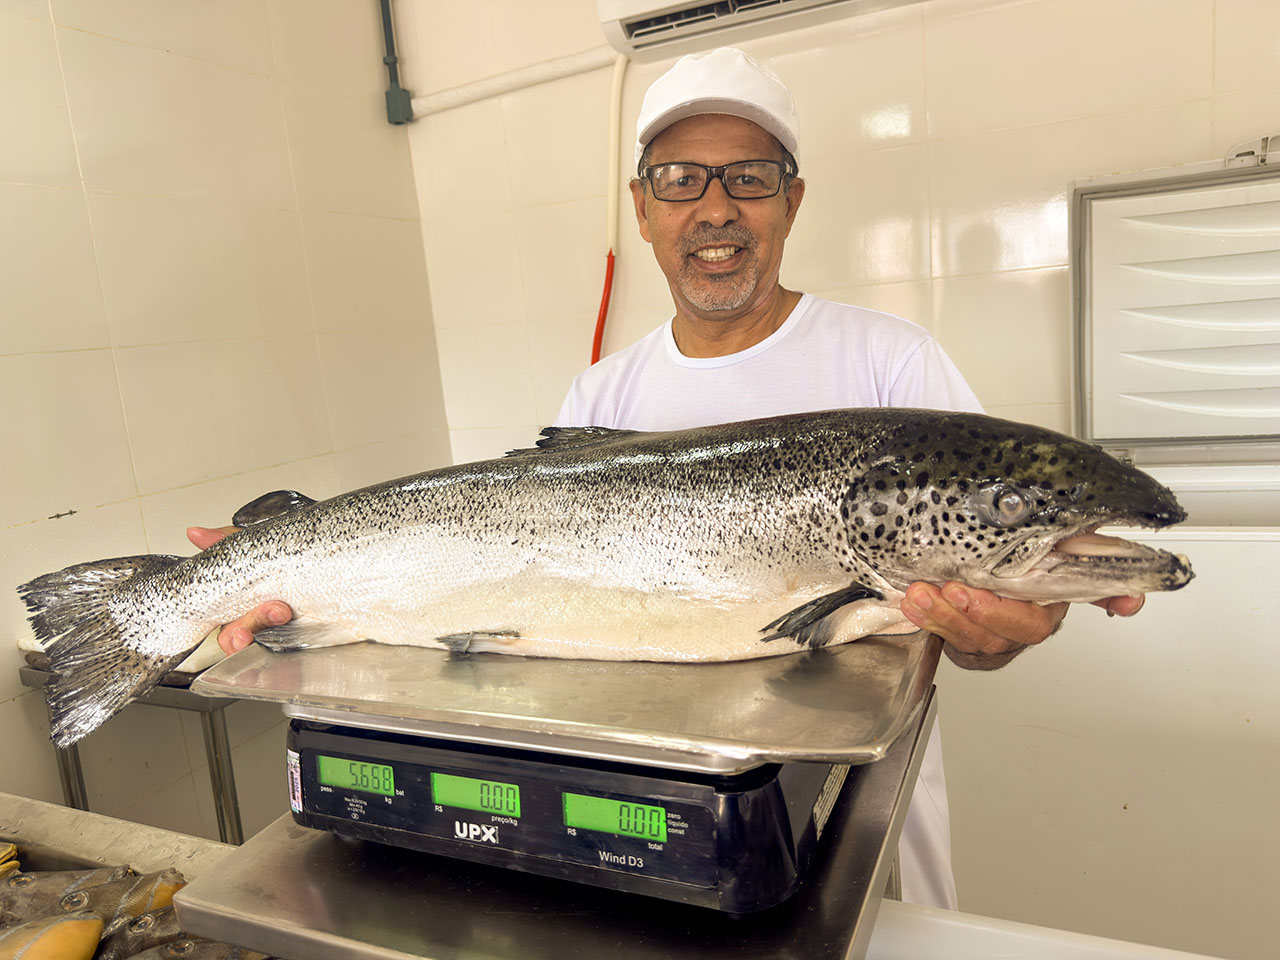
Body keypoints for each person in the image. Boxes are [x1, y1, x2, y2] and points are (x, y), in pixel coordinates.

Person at [189, 46, 1145, 908]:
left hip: (851, 821)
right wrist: (287, 573)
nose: (716, 208)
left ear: (791, 201)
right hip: (637, 813)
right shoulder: (604, 388)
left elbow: (983, 621)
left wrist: (1003, 632)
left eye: (750, 178)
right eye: (682, 180)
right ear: (643, 209)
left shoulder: (892, 362)